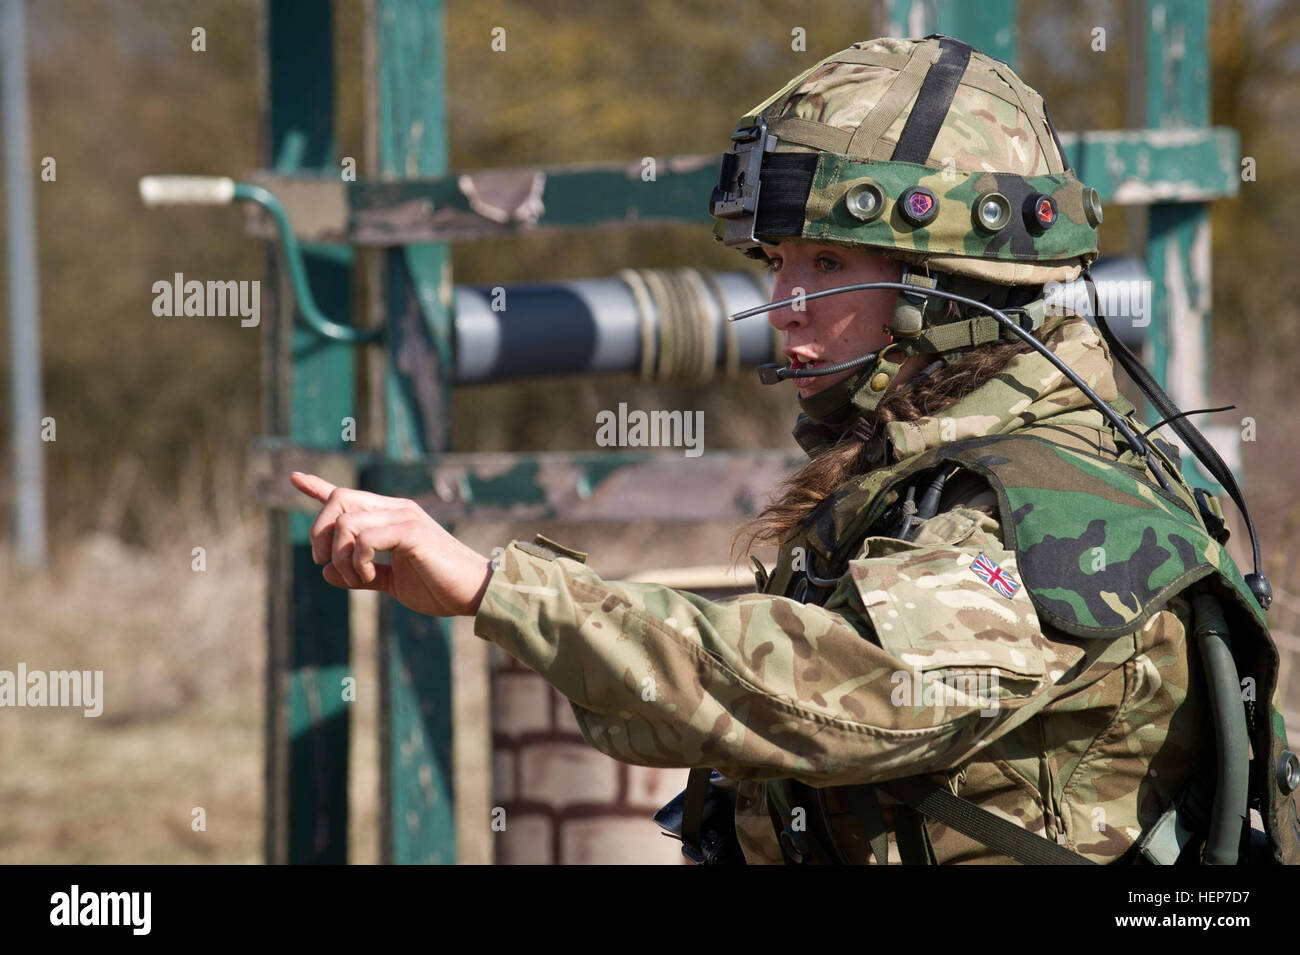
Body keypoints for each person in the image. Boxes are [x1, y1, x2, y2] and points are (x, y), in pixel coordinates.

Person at [291, 35, 1299, 865]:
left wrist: (493, 589)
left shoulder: (1061, 500)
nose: (782, 309)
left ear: (954, 280)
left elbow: (836, 690)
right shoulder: (930, 469)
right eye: (777, 264)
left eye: (826, 266)